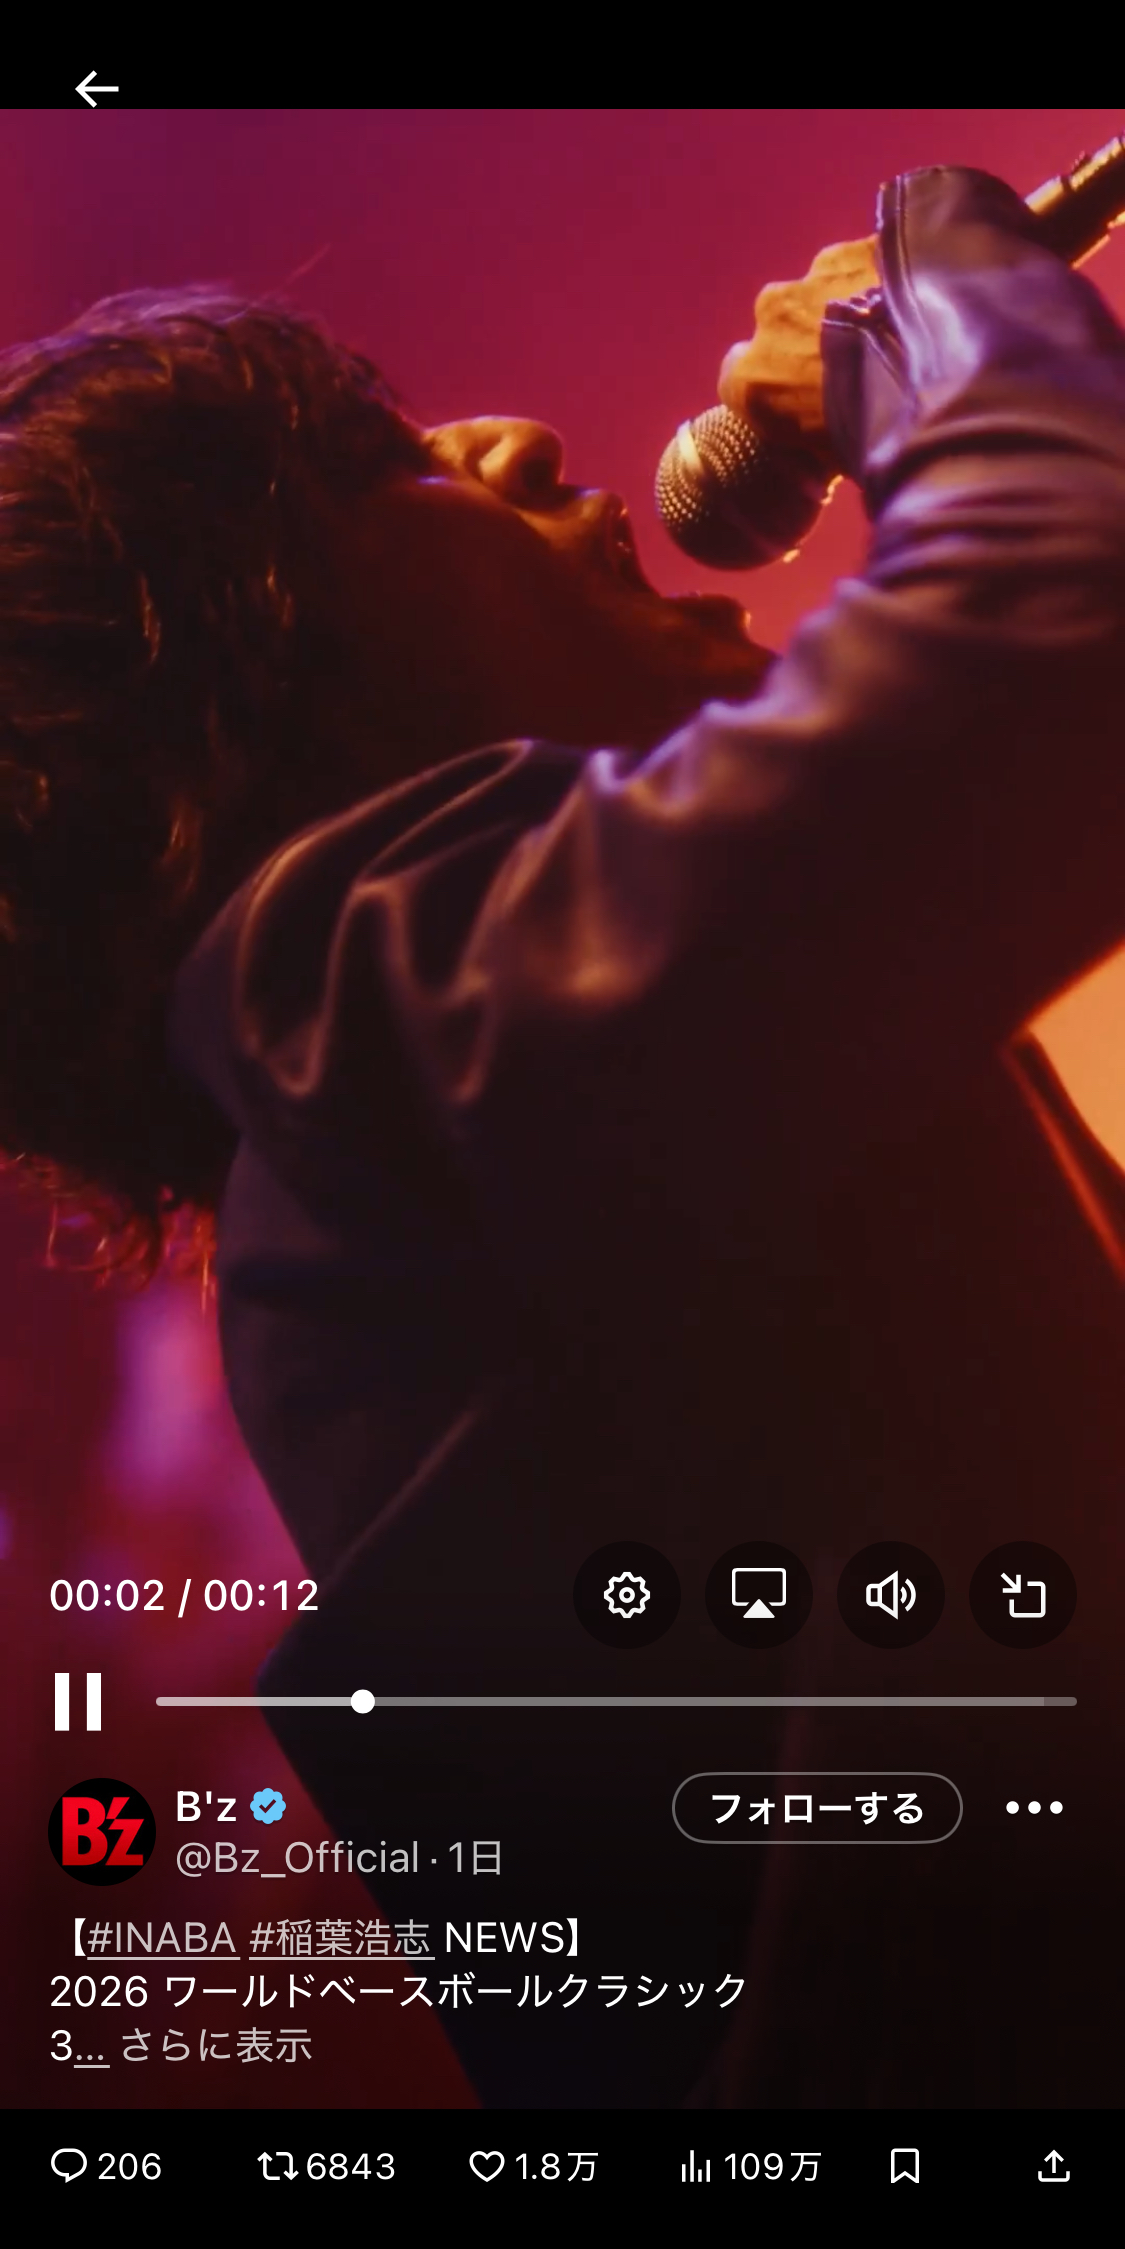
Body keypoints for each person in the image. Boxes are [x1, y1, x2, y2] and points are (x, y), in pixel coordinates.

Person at [3, 166, 1125, 2107]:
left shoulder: (460, 1073)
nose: (510, 437)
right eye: (378, 463)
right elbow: (1055, 637)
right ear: (250, 670)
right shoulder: (361, 1021)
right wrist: (948, 304)